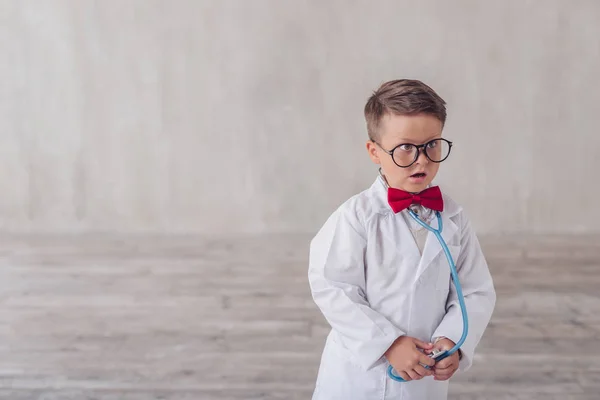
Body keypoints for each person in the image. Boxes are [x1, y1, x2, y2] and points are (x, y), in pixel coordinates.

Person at [308, 79, 496, 399]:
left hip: (423, 374)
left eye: (431, 145)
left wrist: (452, 342)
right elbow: (333, 287)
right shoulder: (356, 217)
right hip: (357, 378)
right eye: (405, 148)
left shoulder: (454, 218)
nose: (421, 159)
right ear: (374, 152)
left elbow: (475, 291)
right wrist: (388, 343)